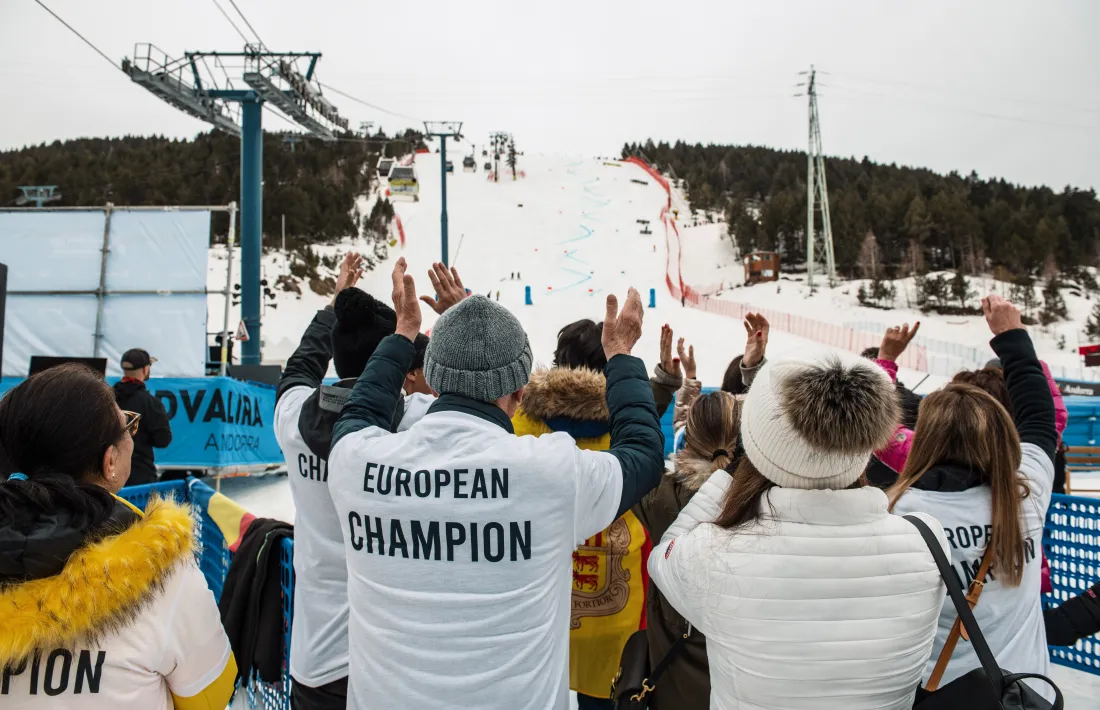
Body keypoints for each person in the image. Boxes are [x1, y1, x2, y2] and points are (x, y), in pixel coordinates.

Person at [327, 259, 665, 709]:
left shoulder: (357, 462)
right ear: (520, 393)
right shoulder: (549, 473)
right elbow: (642, 454)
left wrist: (402, 333)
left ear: (433, 379)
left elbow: (359, 412)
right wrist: (620, 354)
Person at [649, 351, 948, 710]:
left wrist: (727, 475)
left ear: (755, 448)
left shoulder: (712, 555)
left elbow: (664, 556)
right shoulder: (927, 543)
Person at [273, 255, 452, 709]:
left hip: (317, 660)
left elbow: (301, 364)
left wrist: (335, 306)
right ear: (394, 362)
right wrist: (456, 315)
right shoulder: (420, 423)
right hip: (398, 661)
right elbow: (483, 404)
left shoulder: (292, 419)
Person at [0, 364, 235, 709]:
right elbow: (211, 696)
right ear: (109, 460)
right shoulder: (163, 576)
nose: (131, 434)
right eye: (127, 426)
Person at [887, 295, 1057, 697]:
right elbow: (1039, 417)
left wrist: (885, 360)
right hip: (1027, 697)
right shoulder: (1026, 493)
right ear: (1002, 434)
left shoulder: (896, 514)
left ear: (924, 437)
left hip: (942, 695)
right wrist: (1011, 335)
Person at [509, 320, 682, 709]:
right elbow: (638, 423)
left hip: (540, 611)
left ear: (557, 364)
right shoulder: (629, 427)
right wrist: (662, 383)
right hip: (616, 613)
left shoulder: (519, 424)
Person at [631, 315, 768, 710]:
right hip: (743, 677)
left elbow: (634, 443)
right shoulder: (766, 498)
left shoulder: (659, 496)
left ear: (687, 440)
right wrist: (755, 375)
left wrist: (667, 384)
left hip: (674, 678)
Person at [112, 348, 172, 486]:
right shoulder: (150, 403)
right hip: (139, 478)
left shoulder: (106, 397)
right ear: (145, 369)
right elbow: (163, 440)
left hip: (108, 475)